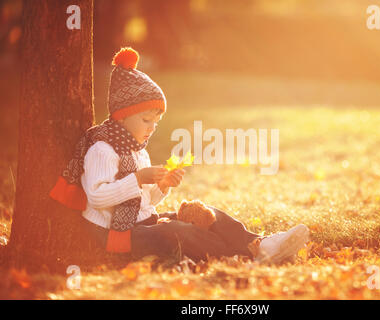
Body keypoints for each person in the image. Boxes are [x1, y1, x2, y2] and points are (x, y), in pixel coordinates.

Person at [49, 47, 309, 264]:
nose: (152, 127)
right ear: (122, 116)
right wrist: (138, 179)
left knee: (206, 213)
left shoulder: (138, 151)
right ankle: (245, 255)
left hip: (143, 221)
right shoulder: (102, 149)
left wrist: (161, 187)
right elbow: (96, 197)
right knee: (177, 231)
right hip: (116, 232)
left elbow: (143, 201)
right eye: (146, 119)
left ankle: (257, 243)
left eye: (156, 122)